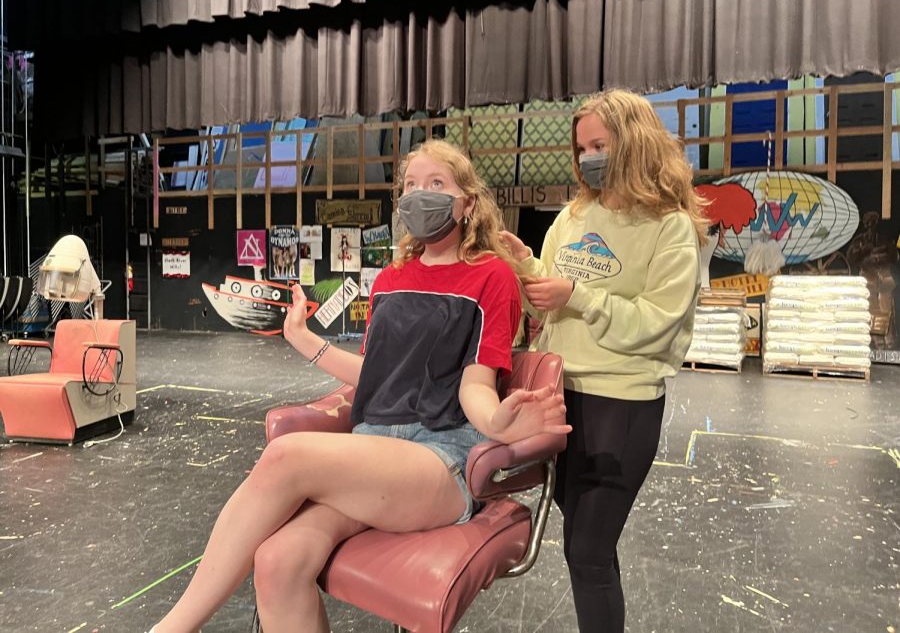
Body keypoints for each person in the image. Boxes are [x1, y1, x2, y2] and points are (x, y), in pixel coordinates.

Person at [150, 139, 569, 633]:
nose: (420, 195)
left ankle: (171, 629)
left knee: (287, 456)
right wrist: (306, 342)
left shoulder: (490, 276)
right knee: (279, 561)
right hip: (374, 446)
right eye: (411, 185)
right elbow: (376, 373)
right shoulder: (391, 278)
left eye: (437, 184)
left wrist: (498, 419)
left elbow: (475, 383)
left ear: (468, 203)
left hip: (440, 456)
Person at [501, 89, 707, 633]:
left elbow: (657, 322)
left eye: (600, 144)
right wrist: (524, 264)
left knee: (588, 552)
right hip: (559, 398)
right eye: (582, 147)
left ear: (634, 142)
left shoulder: (670, 227)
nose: (589, 156)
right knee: (587, 542)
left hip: (622, 405)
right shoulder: (574, 215)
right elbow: (550, 295)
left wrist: (579, 296)